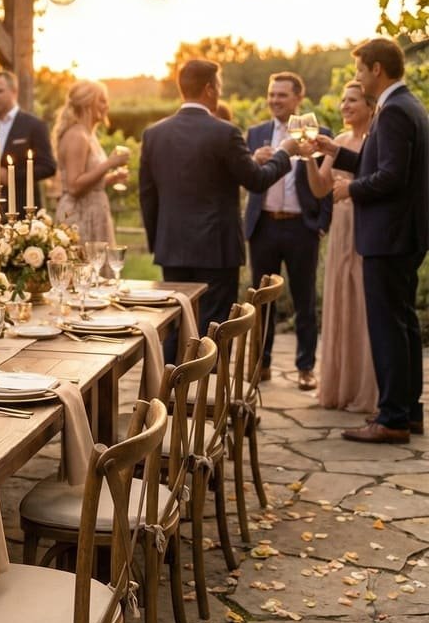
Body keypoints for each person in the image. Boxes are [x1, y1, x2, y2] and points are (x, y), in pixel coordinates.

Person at [139, 59, 298, 354]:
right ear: (210, 89)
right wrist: (284, 153)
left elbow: (147, 195)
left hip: (173, 247)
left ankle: (170, 393)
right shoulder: (225, 132)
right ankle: (203, 396)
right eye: (220, 85)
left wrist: (159, 241)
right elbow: (257, 181)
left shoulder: (154, 134)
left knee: (177, 323)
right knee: (212, 329)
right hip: (217, 248)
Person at [313, 38, 428, 444]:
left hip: (389, 236)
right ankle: (410, 412)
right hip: (403, 234)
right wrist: (337, 153)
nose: (357, 78)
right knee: (404, 324)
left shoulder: (395, 111)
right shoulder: (405, 105)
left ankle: (392, 417)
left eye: (360, 70)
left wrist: (351, 190)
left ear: (377, 70)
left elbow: (391, 176)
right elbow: (381, 163)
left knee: (387, 327)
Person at [244, 72, 333, 391]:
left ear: (298, 98)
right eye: (271, 94)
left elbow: (327, 180)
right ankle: (260, 363)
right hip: (264, 225)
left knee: (304, 300)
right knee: (261, 300)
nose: (274, 100)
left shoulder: (318, 133)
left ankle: (306, 368)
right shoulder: (255, 134)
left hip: (301, 227)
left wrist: (321, 224)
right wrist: (254, 159)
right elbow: (246, 176)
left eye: (282, 95)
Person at [304, 81, 377, 413]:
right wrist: (308, 158)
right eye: (344, 100)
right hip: (340, 231)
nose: (345, 106)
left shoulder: (376, 141)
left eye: (353, 100)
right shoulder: (340, 142)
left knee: (363, 305)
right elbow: (320, 189)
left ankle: (366, 390)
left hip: (366, 229)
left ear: (370, 105)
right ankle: (338, 387)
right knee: (340, 301)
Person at [53, 80, 130, 245]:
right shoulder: (77, 136)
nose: (107, 106)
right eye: (102, 100)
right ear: (88, 103)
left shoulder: (89, 135)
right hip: (80, 216)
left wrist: (112, 177)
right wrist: (109, 164)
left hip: (94, 212)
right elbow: (74, 186)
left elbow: (90, 183)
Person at [0, 71, 56, 215]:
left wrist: (11, 176)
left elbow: (48, 166)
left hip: (23, 209)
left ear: (14, 91)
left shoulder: (34, 125)